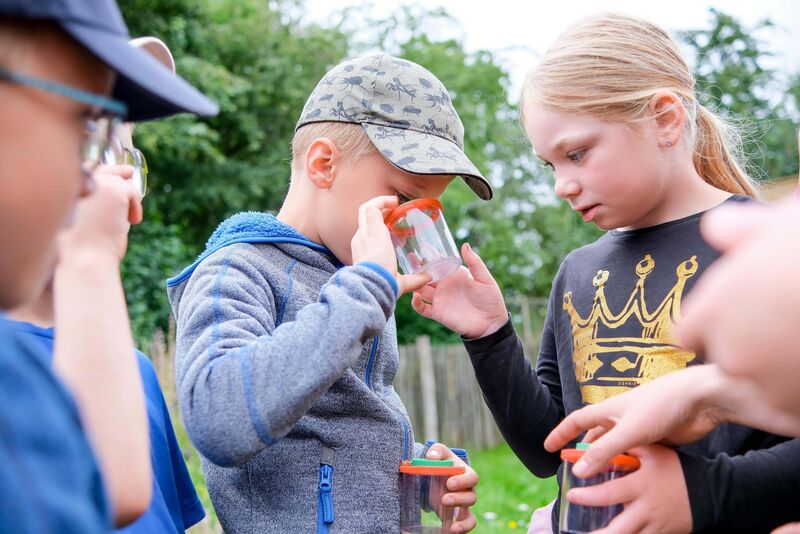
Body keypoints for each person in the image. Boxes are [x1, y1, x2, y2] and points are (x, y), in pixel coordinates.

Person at [411, 13, 800, 533]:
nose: (562, 185)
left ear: (665, 119)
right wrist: (489, 334)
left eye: (577, 153)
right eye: (551, 165)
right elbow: (550, 449)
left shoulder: (769, 249)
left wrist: (704, 495)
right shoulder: (579, 271)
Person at [167, 55, 483, 533]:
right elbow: (218, 420)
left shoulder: (356, 282)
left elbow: (340, 436)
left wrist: (420, 472)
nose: (408, 232)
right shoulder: (238, 272)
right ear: (323, 164)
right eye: (402, 200)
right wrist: (364, 291)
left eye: (426, 209)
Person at [0, 0, 216, 530]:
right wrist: (90, 259)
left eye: (124, 160)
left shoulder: (131, 368)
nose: (104, 187)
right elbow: (102, 489)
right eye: (85, 128)